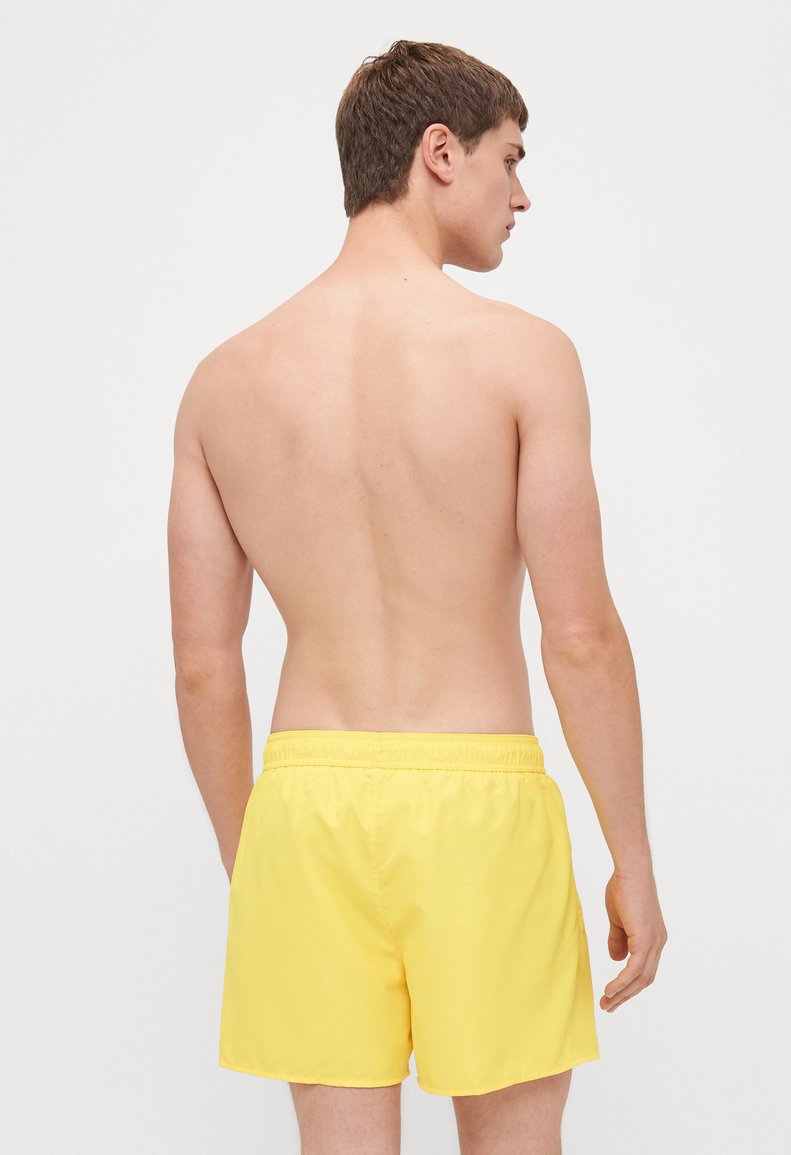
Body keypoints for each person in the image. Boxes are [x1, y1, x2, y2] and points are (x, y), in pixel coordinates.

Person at [167, 38, 667, 1155]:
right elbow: (579, 635)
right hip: (475, 801)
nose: (521, 195)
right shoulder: (524, 358)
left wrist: (257, 862)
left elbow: (203, 665)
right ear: (440, 153)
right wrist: (630, 854)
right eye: (510, 159)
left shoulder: (221, 384)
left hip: (304, 809)